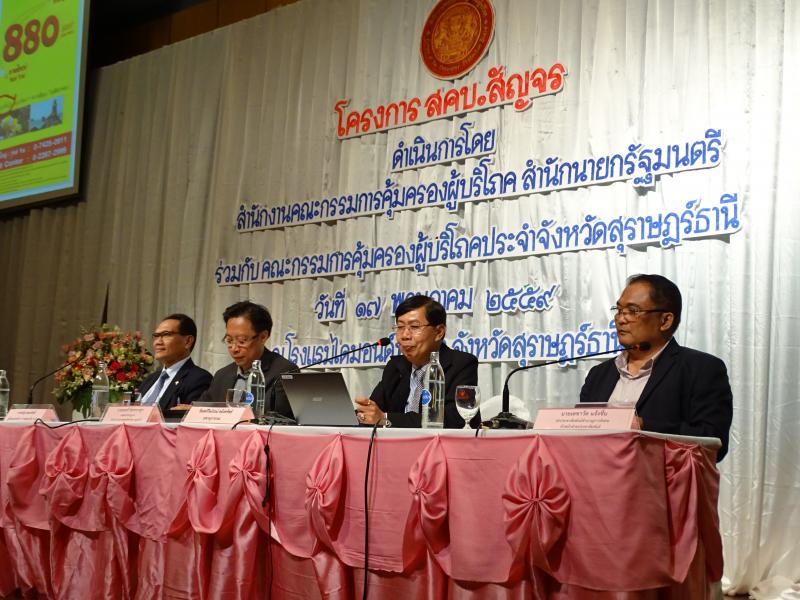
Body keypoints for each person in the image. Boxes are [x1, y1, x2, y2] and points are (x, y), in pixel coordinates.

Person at [580, 274, 733, 461]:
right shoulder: (598, 374)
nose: (620, 319)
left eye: (633, 311)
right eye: (619, 310)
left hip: (663, 478)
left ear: (665, 321)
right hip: (596, 476)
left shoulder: (701, 369)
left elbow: (714, 443)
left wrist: (645, 427)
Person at [354, 295, 480, 428]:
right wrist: (362, 415)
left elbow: (456, 418)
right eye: (400, 327)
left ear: (439, 332)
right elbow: (374, 412)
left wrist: (386, 419)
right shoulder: (396, 367)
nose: (405, 335)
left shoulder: (461, 364)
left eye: (414, 327)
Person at [202, 301, 297, 417]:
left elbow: (278, 417)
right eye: (229, 341)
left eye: (241, 341)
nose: (234, 349)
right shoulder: (222, 376)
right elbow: (203, 411)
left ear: (263, 337)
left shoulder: (284, 372)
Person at [138, 314, 212, 415]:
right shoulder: (150, 379)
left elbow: (191, 419)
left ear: (188, 341)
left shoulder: (199, 379)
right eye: (156, 336)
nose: (157, 342)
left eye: (166, 334)